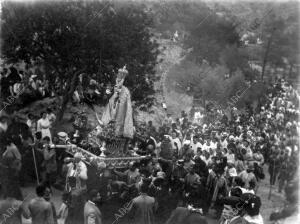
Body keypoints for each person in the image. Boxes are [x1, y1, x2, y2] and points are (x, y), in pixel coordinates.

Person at [101, 66, 134, 138]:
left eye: (122, 75)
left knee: (119, 118)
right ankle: (106, 129)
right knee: (110, 115)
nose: (120, 77)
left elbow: (126, 103)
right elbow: (109, 94)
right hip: (113, 104)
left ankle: (115, 133)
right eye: (119, 74)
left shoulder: (126, 91)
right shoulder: (114, 86)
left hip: (120, 106)